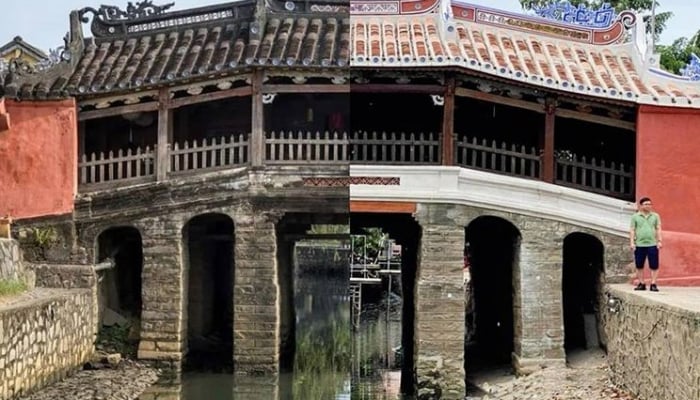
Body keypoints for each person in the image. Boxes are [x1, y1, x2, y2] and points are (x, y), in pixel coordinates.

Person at [629, 197, 662, 291]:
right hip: (639, 244)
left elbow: (658, 228)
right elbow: (632, 230)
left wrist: (659, 240)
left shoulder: (655, 216)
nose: (648, 206)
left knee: (654, 265)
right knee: (639, 265)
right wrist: (632, 242)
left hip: (652, 244)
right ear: (641, 205)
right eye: (646, 204)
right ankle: (641, 283)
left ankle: (653, 283)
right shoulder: (635, 216)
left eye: (650, 204)